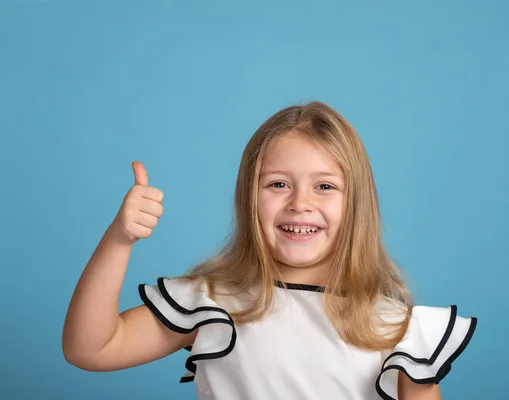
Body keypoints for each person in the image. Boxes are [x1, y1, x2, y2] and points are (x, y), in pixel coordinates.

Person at [62, 101, 477, 400]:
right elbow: (90, 348)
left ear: (357, 204)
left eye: (325, 186)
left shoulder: (397, 328)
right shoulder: (213, 302)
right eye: (278, 184)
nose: (300, 203)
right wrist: (119, 240)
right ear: (249, 198)